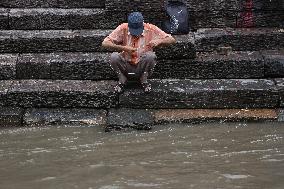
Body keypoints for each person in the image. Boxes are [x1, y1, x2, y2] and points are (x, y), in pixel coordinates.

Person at [102, 12, 176, 93]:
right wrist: (123, 48)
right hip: (126, 65)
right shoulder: (123, 27)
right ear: (129, 26)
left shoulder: (151, 28)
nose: (136, 34)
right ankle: (122, 80)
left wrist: (159, 41)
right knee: (114, 57)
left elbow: (172, 40)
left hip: (142, 66)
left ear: (143, 25)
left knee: (151, 56)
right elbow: (105, 43)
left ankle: (143, 80)